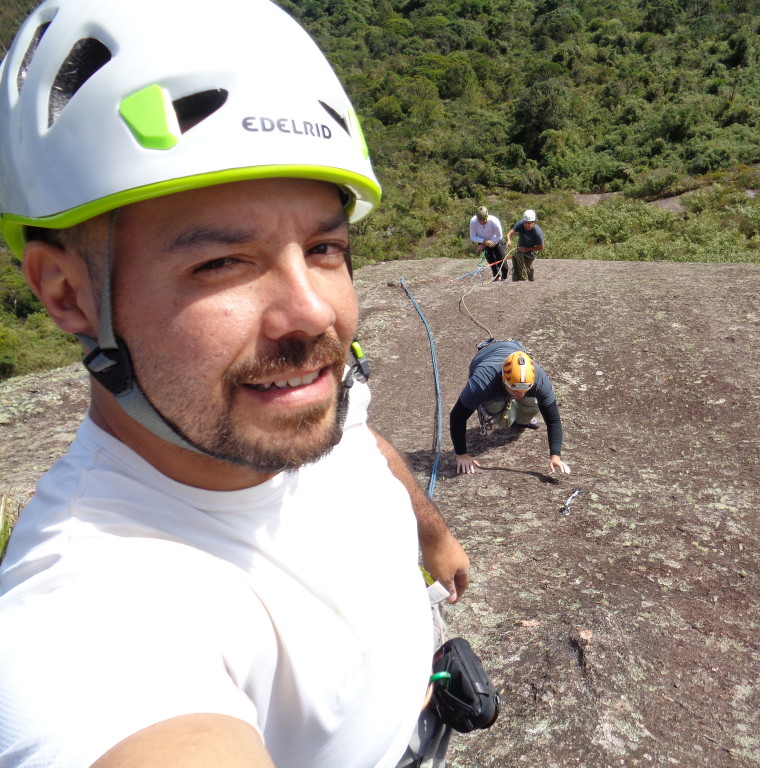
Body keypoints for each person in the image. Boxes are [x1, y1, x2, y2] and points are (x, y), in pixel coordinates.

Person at [0, 1, 469, 767]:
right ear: (66, 293)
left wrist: (436, 538)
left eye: (325, 248)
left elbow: (364, 444)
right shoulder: (84, 613)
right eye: (222, 262)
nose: (314, 315)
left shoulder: (294, 396)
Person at [449, 340, 571, 476]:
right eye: (515, 390)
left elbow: (553, 419)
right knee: (503, 420)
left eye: (525, 390)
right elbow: (457, 416)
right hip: (486, 358)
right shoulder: (482, 383)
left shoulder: (540, 380)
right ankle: (489, 406)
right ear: (503, 379)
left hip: (514, 348)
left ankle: (521, 418)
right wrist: (461, 454)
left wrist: (555, 456)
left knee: (532, 404)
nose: (520, 395)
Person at [504, 209, 544, 282]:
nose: (527, 225)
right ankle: (517, 278)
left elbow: (541, 247)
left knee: (528, 266)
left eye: (529, 223)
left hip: (531, 251)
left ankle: (531, 279)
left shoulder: (537, 233)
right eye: (526, 223)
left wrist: (526, 248)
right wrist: (509, 240)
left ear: (534, 223)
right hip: (520, 248)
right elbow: (509, 234)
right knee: (517, 263)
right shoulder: (520, 224)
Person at [468, 205, 507, 281]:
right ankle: (496, 277)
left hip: (496, 240)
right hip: (482, 241)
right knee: (491, 261)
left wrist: (485, 243)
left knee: (502, 261)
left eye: (484, 220)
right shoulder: (473, 221)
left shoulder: (494, 221)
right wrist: (484, 242)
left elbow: (500, 236)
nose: (483, 222)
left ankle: (504, 278)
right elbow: (472, 237)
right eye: (481, 221)